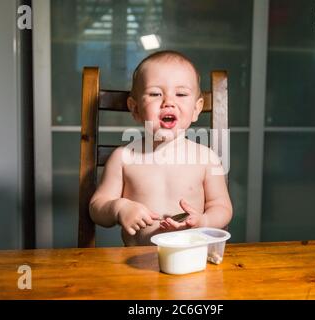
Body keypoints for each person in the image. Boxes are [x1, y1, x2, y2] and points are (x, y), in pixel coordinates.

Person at [89, 50, 233, 246]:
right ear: (135, 109)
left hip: (190, 259)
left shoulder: (206, 158)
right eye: (155, 94)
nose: (168, 102)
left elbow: (222, 207)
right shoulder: (123, 157)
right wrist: (119, 208)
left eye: (181, 94)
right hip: (135, 263)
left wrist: (204, 221)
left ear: (196, 109)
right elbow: (97, 207)